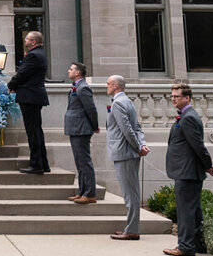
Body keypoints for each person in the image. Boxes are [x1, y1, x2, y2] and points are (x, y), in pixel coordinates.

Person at [164, 82, 213, 256]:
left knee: (185, 210)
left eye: (176, 96)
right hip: (187, 170)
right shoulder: (186, 116)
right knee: (193, 210)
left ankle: (185, 246)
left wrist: (208, 166)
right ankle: (198, 244)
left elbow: (198, 146)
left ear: (186, 98)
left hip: (187, 171)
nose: (173, 99)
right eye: (172, 96)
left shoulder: (188, 118)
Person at [105, 74, 149, 240]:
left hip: (124, 153)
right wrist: (142, 144)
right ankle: (131, 227)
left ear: (116, 85)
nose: (106, 86)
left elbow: (128, 129)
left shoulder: (118, 103)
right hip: (128, 152)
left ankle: (132, 230)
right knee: (131, 192)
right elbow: (137, 127)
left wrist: (139, 147)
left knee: (130, 193)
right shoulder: (128, 101)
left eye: (109, 83)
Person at [7, 31, 50, 174]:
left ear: (33, 42)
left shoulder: (33, 55)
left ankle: (36, 164)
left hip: (30, 97)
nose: (25, 41)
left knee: (33, 131)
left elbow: (22, 74)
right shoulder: (39, 54)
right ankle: (43, 163)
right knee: (36, 131)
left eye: (27, 39)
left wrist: (10, 86)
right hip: (34, 96)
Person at [63, 61, 100, 204]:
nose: (68, 71)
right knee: (79, 162)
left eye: (71, 69)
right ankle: (82, 191)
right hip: (75, 128)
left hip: (81, 129)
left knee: (84, 162)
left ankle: (90, 193)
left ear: (77, 72)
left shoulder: (83, 88)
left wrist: (95, 126)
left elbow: (91, 108)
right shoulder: (76, 87)